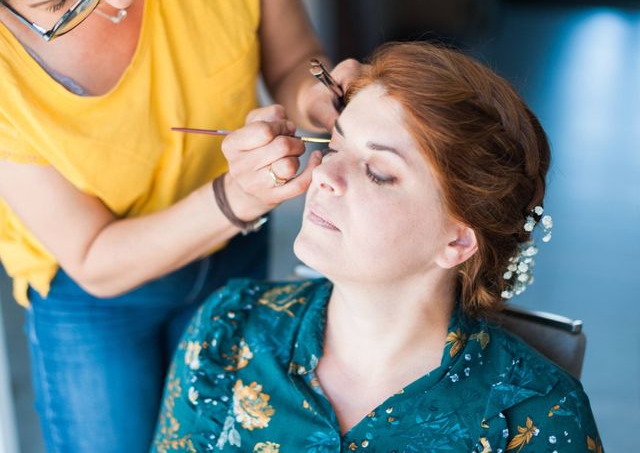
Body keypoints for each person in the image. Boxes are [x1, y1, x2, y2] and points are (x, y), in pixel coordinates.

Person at [152, 42, 603, 453]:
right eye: (334, 144)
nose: (324, 174)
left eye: (378, 172)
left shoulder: (538, 417)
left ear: (458, 239)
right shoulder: (229, 328)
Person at [0, 0, 360, 451]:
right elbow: (93, 259)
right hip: (96, 298)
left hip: (234, 252)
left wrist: (315, 99)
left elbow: (295, 60)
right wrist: (236, 199)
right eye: (63, 1)